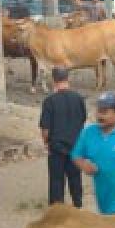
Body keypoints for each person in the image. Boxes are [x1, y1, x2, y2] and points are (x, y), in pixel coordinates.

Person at [40, 66, 87, 208]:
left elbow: (45, 128)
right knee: (75, 179)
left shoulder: (50, 101)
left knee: (56, 182)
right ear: (67, 78)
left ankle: (57, 211)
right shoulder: (78, 98)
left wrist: (46, 142)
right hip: (75, 146)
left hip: (56, 148)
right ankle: (77, 206)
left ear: (53, 80)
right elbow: (83, 119)